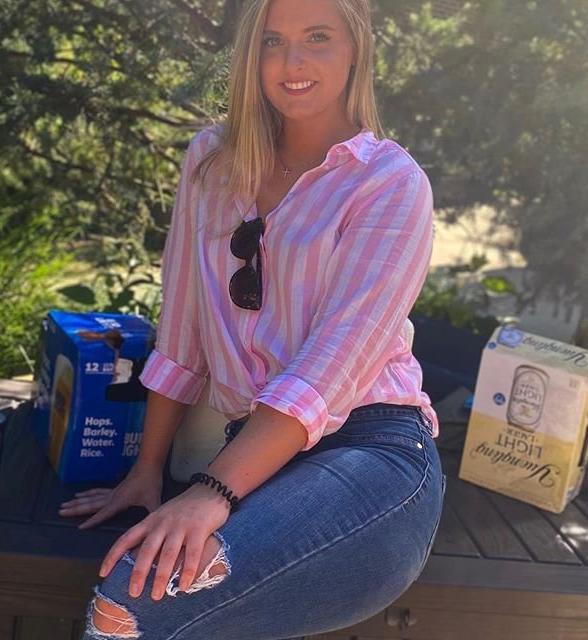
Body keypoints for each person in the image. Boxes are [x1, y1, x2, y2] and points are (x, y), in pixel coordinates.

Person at [60, 0, 446, 638]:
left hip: (368, 456)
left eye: (317, 37)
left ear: (355, 48)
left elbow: (326, 373)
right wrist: (146, 471)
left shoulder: (389, 183)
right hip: (252, 454)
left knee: (131, 602)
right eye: (272, 41)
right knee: (145, 583)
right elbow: (182, 335)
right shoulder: (211, 162)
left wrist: (210, 491)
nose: (292, 62)